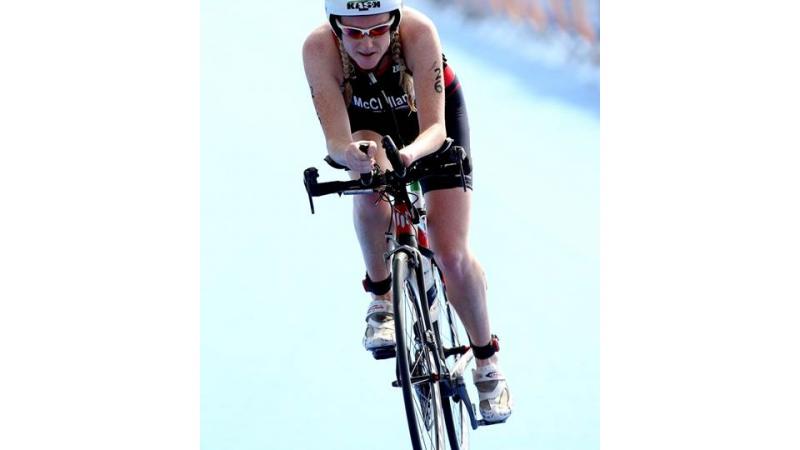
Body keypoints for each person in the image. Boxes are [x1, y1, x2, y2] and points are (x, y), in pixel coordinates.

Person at [302, 0, 512, 423]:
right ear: (335, 27)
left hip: (428, 128)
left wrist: (411, 155)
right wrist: (352, 156)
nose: (367, 43)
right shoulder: (317, 48)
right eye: (354, 32)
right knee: (368, 181)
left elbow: (437, 129)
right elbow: (336, 141)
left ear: (395, 22)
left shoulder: (419, 33)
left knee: (450, 252)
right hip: (368, 130)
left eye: (378, 30)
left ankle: (488, 365)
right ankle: (381, 299)